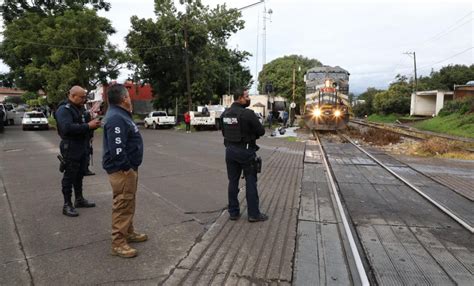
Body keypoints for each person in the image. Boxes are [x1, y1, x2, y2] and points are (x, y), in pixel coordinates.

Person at [102, 84, 146, 258]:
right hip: (122, 170)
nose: (130, 98)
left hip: (128, 168)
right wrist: (126, 168)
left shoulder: (121, 115)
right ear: (123, 98)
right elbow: (117, 148)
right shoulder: (116, 118)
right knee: (122, 204)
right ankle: (118, 243)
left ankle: (128, 231)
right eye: (128, 95)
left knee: (128, 202)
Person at [221, 88, 267, 222]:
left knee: (233, 182)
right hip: (246, 151)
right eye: (247, 96)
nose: (248, 98)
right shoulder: (248, 114)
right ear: (240, 98)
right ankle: (253, 214)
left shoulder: (225, 114)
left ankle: (233, 213)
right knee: (251, 182)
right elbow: (262, 131)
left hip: (230, 151)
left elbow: (224, 133)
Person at [55, 86, 101, 217]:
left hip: (82, 145)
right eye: (81, 97)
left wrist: (93, 124)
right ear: (72, 95)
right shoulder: (64, 110)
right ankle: (67, 204)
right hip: (71, 146)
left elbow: (85, 125)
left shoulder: (80, 109)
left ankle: (79, 199)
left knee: (80, 173)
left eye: (84, 97)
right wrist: (88, 126)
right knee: (70, 175)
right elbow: (66, 128)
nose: (84, 99)